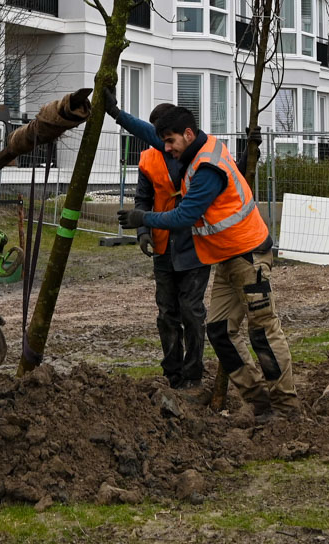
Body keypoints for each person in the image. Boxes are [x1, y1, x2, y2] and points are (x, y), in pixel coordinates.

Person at [114, 101, 294, 420]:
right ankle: (259, 404)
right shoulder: (191, 145)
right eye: (163, 141)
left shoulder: (207, 169)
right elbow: (149, 133)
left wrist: (143, 218)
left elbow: (185, 215)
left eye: (169, 142)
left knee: (262, 329)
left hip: (248, 254)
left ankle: (286, 408)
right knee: (220, 331)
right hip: (226, 258)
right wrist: (114, 113)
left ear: (186, 134)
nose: (165, 148)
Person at [124, 103, 209, 389]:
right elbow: (142, 199)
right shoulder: (148, 160)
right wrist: (143, 232)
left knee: (191, 310)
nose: (164, 143)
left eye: (166, 137)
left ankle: (193, 374)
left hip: (195, 246)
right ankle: (173, 374)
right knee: (166, 313)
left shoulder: (197, 155)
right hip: (163, 248)